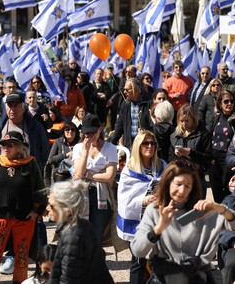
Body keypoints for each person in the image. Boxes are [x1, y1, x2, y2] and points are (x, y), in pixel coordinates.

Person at [131, 158, 235, 283]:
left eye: (187, 186)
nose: (182, 191)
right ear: (168, 182)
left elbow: (232, 225)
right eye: (178, 184)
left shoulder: (198, 211)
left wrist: (220, 208)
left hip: (196, 279)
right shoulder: (155, 211)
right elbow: (137, 250)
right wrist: (158, 229)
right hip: (164, 279)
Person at [0, 131, 47, 284]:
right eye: (3, 144)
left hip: (23, 220)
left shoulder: (30, 163)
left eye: (10, 144)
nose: (5, 147)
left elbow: (40, 189)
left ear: (19, 147)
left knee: (22, 258)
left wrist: (35, 212)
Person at [117, 130, 166, 284]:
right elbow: (124, 197)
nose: (150, 146)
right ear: (138, 145)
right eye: (146, 143)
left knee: (157, 262)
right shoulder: (130, 169)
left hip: (157, 220)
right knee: (138, 261)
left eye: (152, 143)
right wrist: (143, 200)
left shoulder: (161, 165)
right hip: (137, 222)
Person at [47, 181, 114, 284]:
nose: (47, 209)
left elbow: (68, 279)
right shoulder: (80, 225)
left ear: (66, 209)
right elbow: (57, 272)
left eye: (51, 206)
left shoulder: (73, 237)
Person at [73, 114, 118, 244]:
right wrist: (85, 152)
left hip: (101, 194)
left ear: (100, 129)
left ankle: (95, 261)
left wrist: (88, 174)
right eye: (87, 133)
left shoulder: (110, 148)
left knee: (97, 234)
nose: (90, 136)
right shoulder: (78, 148)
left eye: (93, 132)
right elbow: (78, 173)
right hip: (82, 193)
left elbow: (109, 176)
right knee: (81, 233)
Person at [169, 104, 210, 197]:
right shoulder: (174, 136)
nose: (184, 124)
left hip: (197, 177)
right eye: (181, 121)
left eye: (187, 121)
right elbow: (170, 157)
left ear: (193, 119)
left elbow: (208, 157)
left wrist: (191, 153)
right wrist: (176, 155)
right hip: (180, 176)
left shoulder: (203, 134)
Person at [110, 78, 153, 150]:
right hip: (129, 144)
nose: (124, 92)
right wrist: (111, 144)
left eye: (127, 90)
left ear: (136, 89)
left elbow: (153, 125)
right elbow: (119, 126)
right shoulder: (125, 104)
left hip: (145, 144)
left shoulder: (149, 102)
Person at [209, 90, 235, 203]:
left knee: (228, 191)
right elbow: (211, 136)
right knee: (216, 191)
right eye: (226, 101)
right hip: (215, 160)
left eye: (232, 101)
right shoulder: (217, 118)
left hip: (228, 159)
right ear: (220, 103)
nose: (229, 104)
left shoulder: (234, 119)